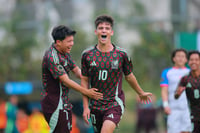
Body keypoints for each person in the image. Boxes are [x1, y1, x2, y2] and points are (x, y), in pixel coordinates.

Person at [81, 15, 152, 133]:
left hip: (114, 103)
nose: (104, 30)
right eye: (100, 28)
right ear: (96, 31)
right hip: (94, 105)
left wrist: (141, 93)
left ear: (111, 32)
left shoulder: (121, 54)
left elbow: (129, 77)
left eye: (107, 28)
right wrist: (85, 107)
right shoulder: (87, 55)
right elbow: (84, 80)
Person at [41, 25, 103, 133]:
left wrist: (98, 76)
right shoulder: (52, 57)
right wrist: (87, 92)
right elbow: (65, 80)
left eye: (72, 41)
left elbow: (78, 72)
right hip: (54, 104)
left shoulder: (65, 53)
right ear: (58, 42)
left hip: (64, 103)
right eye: (69, 41)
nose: (72, 44)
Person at [160, 48, 192, 133]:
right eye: (178, 56)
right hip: (173, 109)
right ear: (174, 58)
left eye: (183, 56)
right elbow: (164, 90)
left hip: (188, 109)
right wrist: (166, 105)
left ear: (186, 59)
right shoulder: (167, 72)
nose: (180, 58)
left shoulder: (190, 72)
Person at [175, 50, 200, 133]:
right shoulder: (185, 79)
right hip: (194, 116)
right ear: (188, 62)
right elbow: (176, 96)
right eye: (191, 60)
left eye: (196, 60)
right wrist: (178, 93)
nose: (194, 62)